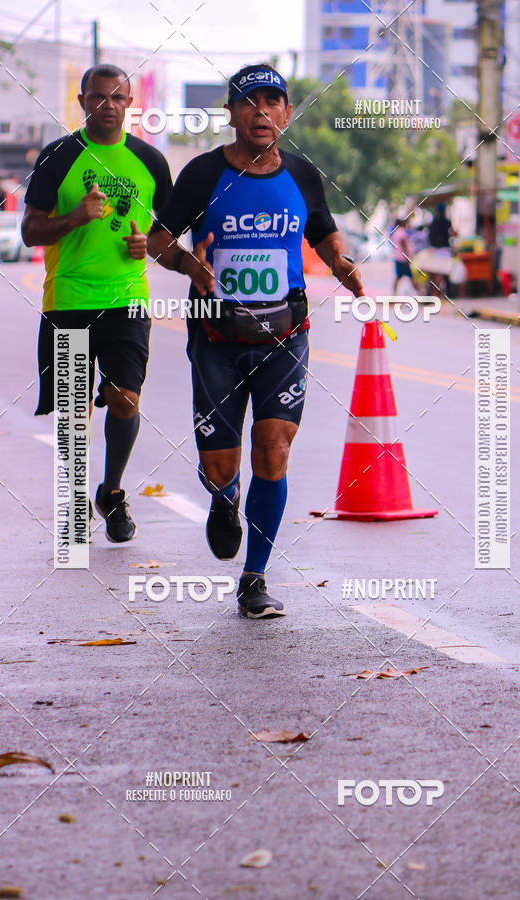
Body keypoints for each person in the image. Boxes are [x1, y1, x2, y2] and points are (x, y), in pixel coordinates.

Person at [148, 63, 364, 619]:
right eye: (249, 102)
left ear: (287, 113)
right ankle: (224, 501)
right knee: (222, 465)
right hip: (217, 337)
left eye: (273, 101)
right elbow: (157, 241)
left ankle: (255, 577)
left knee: (274, 448)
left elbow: (323, 230)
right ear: (232, 113)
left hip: (284, 336)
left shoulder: (302, 173)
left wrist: (340, 263)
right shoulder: (201, 174)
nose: (261, 111)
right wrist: (189, 263)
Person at [22, 64, 172, 542]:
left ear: (130, 104)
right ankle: (76, 497)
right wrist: (73, 217)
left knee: (125, 399)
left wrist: (146, 243)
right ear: (82, 101)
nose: (108, 105)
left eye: (117, 97)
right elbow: (29, 231)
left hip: (127, 300)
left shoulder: (150, 161)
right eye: (98, 96)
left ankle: (112, 492)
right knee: (72, 411)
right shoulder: (59, 156)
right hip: (67, 301)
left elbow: (164, 238)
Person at [391, 217, 414, 292]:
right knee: (410, 277)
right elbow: (403, 245)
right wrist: (407, 257)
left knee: (399, 277)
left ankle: (394, 294)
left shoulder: (395, 232)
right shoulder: (402, 232)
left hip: (398, 257)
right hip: (403, 258)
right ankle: (417, 293)